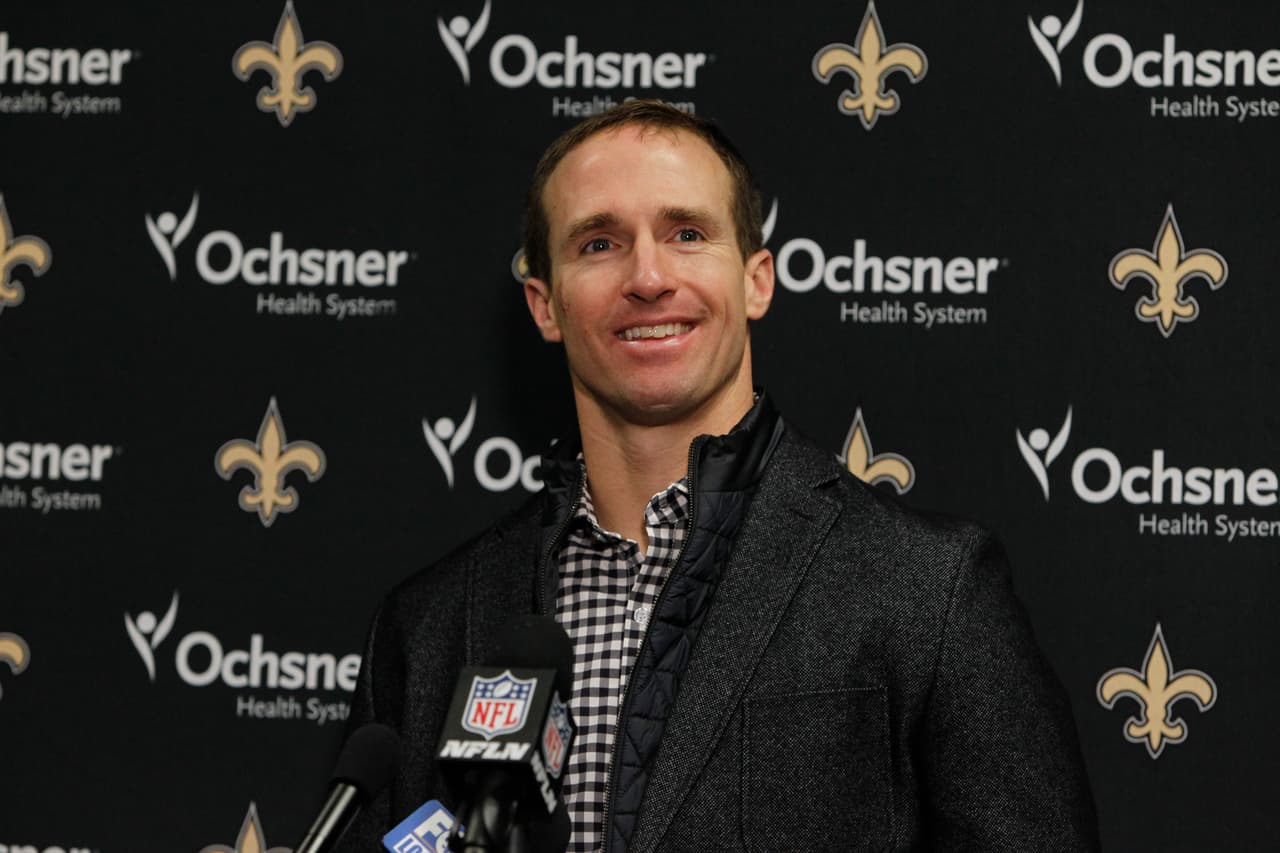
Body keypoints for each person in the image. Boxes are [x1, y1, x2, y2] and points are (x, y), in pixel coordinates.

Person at [339, 100, 1099, 852]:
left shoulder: (928, 589)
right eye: (599, 242)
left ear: (756, 280)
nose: (647, 275)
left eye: (688, 234)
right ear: (545, 304)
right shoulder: (428, 622)